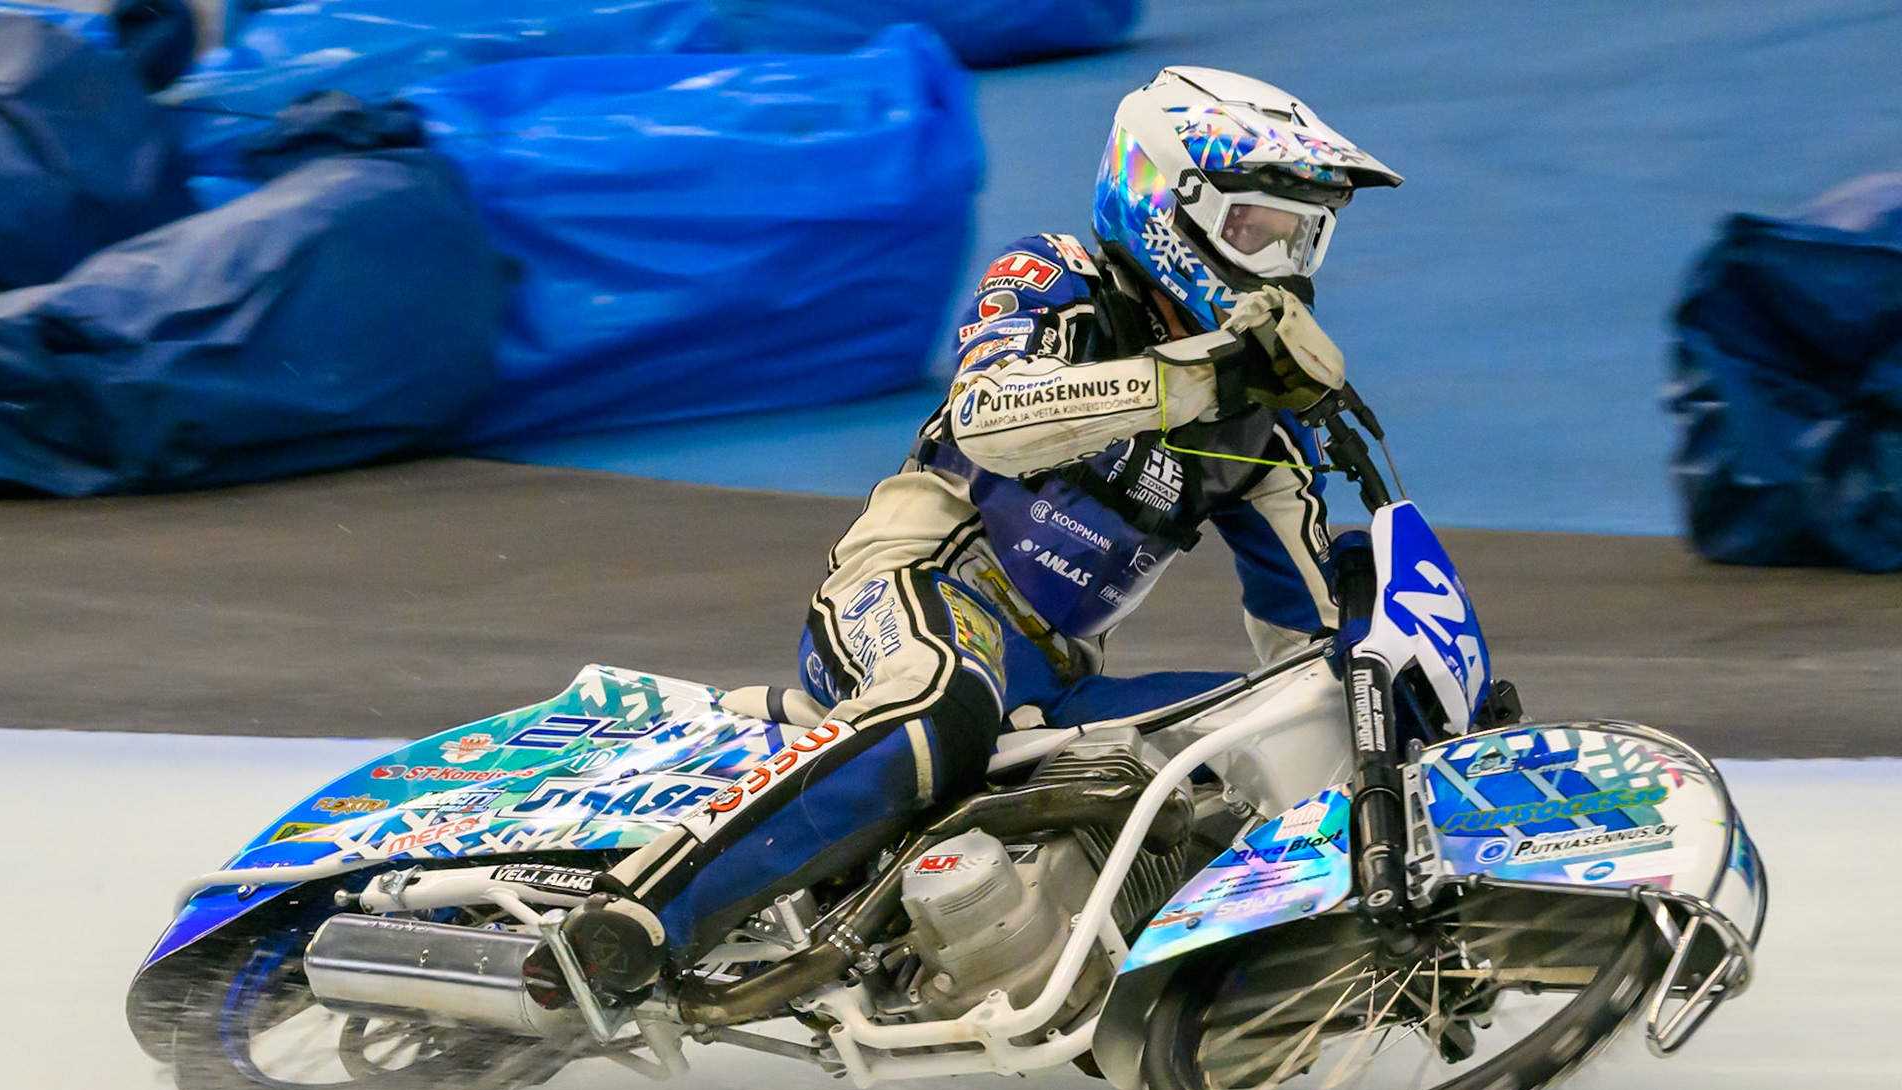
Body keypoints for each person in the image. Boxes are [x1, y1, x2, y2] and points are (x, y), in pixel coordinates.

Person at [549, 66, 1403, 999]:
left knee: (1271, 726)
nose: (1285, 267)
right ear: (1168, 201)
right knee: (942, 702)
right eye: (1260, 229)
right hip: (916, 585)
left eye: (1302, 238)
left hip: (1055, 677)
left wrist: (1397, 701)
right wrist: (1195, 379)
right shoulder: (1055, 280)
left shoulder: (1260, 432)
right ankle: (634, 919)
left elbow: (1308, 640)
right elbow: (991, 414)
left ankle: (1236, 994)